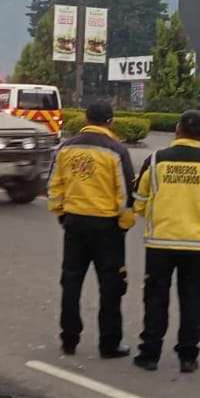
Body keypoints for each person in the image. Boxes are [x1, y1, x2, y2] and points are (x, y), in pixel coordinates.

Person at [130, 110, 200, 373]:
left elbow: (138, 203)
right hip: (198, 247)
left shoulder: (155, 160)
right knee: (192, 301)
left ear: (176, 130)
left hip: (159, 244)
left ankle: (149, 354)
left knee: (155, 299)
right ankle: (188, 356)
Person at [47, 100, 136, 358]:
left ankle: (69, 340)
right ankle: (109, 343)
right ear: (110, 121)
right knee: (111, 286)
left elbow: (53, 186)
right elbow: (126, 195)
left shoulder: (66, 148)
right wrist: (123, 225)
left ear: (86, 119)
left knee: (71, 282)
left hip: (74, 222)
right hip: (107, 227)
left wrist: (62, 214)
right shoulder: (116, 150)